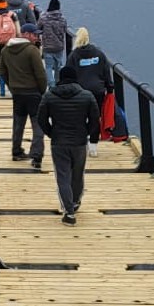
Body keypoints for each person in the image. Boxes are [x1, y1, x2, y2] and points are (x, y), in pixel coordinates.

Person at [37, 66, 100, 226]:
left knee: (63, 176)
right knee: (78, 174)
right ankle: (75, 202)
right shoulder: (87, 96)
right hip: (79, 142)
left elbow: (41, 119)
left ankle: (69, 213)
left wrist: (51, 133)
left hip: (59, 142)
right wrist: (86, 132)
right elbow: (95, 119)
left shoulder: (50, 96)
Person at [0, 22, 48, 169]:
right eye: (34, 34)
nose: (36, 37)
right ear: (26, 34)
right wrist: (42, 90)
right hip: (33, 92)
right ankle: (37, 156)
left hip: (17, 93)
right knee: (37, 126)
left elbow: (2, 72)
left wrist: (11, 86)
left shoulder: (5, 50)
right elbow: (40, 75)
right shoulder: (32, 51)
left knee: (18, 123)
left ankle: (16, 151)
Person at [64, 27, 113, 123]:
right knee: (96, 114)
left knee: (81, 114)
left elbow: (67, 74)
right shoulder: (99, 54)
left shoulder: (73, 56)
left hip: (80, 90)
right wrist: (110, 88)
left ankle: (83, 134)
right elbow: (106, 72)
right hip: (98, 89)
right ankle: (94, 135)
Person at [37, 0, 71, 88]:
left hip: (47, 46)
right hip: (59, 46)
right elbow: (64, 30)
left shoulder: (43, 17)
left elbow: (38, 28)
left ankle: (51, 85)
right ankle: (58, 83)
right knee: (58, 66)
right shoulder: (62, 18)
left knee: (48, 67)